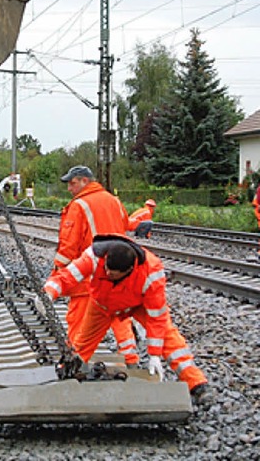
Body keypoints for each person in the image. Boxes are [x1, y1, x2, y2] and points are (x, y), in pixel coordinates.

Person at [40, 234, 211, 404]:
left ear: (129, 270)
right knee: (82, 344)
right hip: (103, 305)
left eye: (112, 274)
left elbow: (156, 317)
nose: (107, 273)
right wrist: (48, 293)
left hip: (138, 304)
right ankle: (64, 375)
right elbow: (67, 276)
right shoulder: (94, 256)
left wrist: (154, 355)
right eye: (106, 270)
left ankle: (196, 384)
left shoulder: (152, 272)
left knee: (169, 338)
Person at [50, 165, 139, 366]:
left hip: (89, 274)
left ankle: (73, 358)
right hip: (117, 270)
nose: (69, 189)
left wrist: (58, 273)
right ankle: (130, 358)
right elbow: (126, 224)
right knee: (119, 315)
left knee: (78, 318)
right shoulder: (114, 201)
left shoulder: (79, 205)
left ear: (84, 181)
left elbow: (69, 246)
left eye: (72, 183)